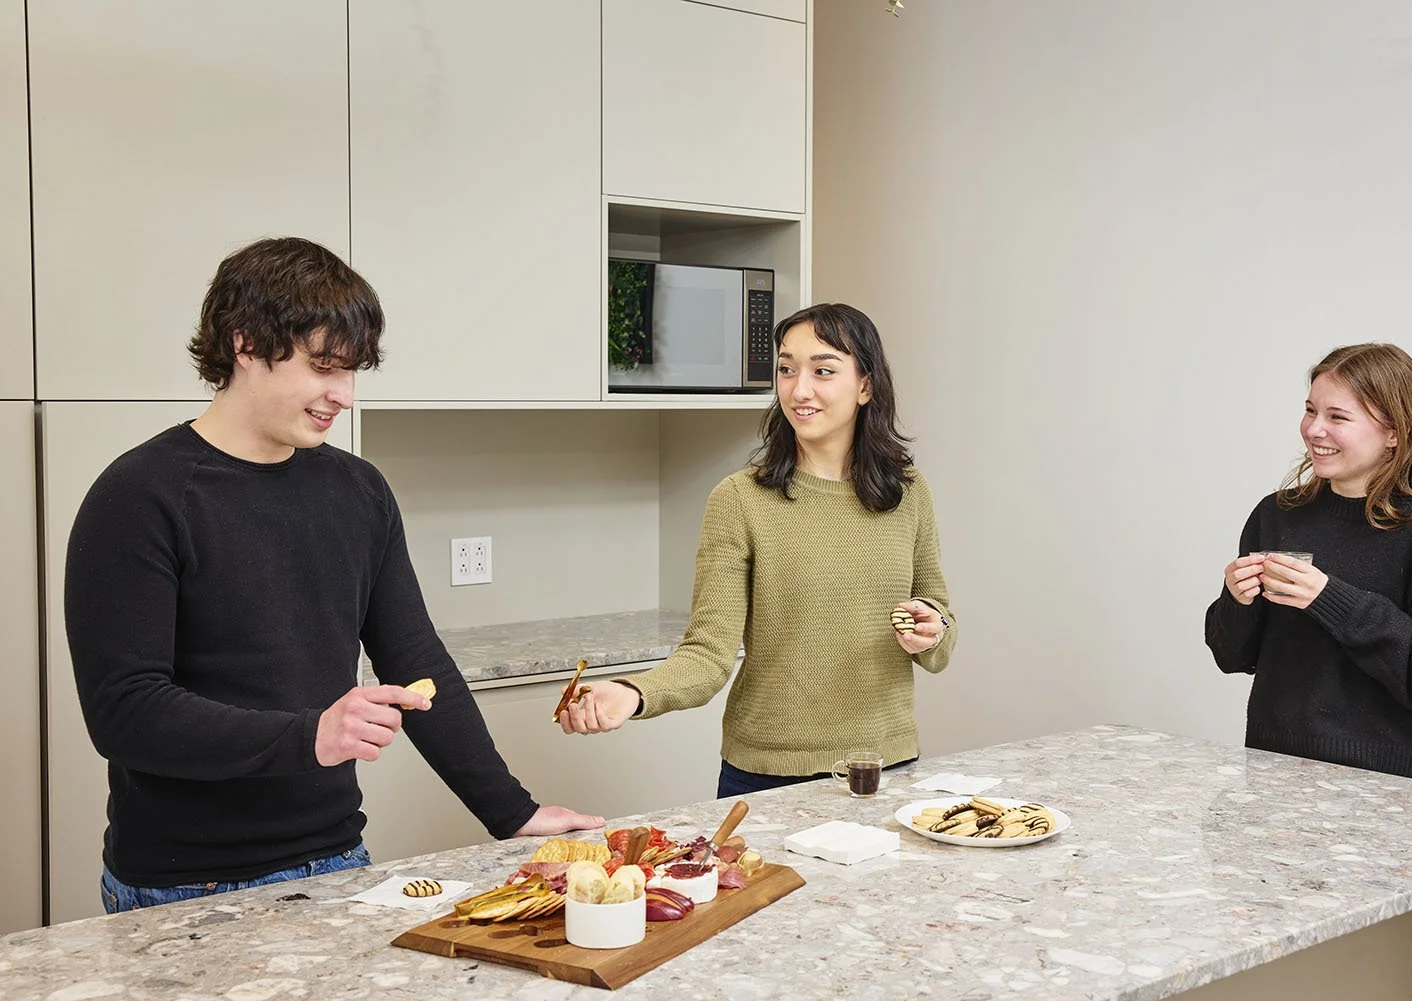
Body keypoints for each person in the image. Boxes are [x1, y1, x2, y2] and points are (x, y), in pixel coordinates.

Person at [66, 237, 602, 913]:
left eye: (352, 371)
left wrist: (511, 810)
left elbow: (415, 661)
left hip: (336, 860)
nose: (343, 395)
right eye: (323, 367)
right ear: (245, 343)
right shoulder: (140, 495)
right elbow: (124, 711)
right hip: (180, 884)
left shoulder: (358, 491)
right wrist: (307, 735)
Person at [557, 303, 956, 798]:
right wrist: (634, 693)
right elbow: (708, 654)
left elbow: (938, 625)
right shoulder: (739, 499)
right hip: (765, 775)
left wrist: (931, 631)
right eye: (786, 369)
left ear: (865, 386)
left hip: (882, 767)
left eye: (823, 371)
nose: (799, 389)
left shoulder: (908, 493)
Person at [1205, 342, 1412, 781]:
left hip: (1384, 789)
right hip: (1271, 769)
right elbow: (1231, 655)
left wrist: (1330, 599)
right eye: (1311, 410)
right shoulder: (1276, 515)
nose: (1314, 429)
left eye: (1337, 417)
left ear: (1394, 432)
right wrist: (1238, 601)